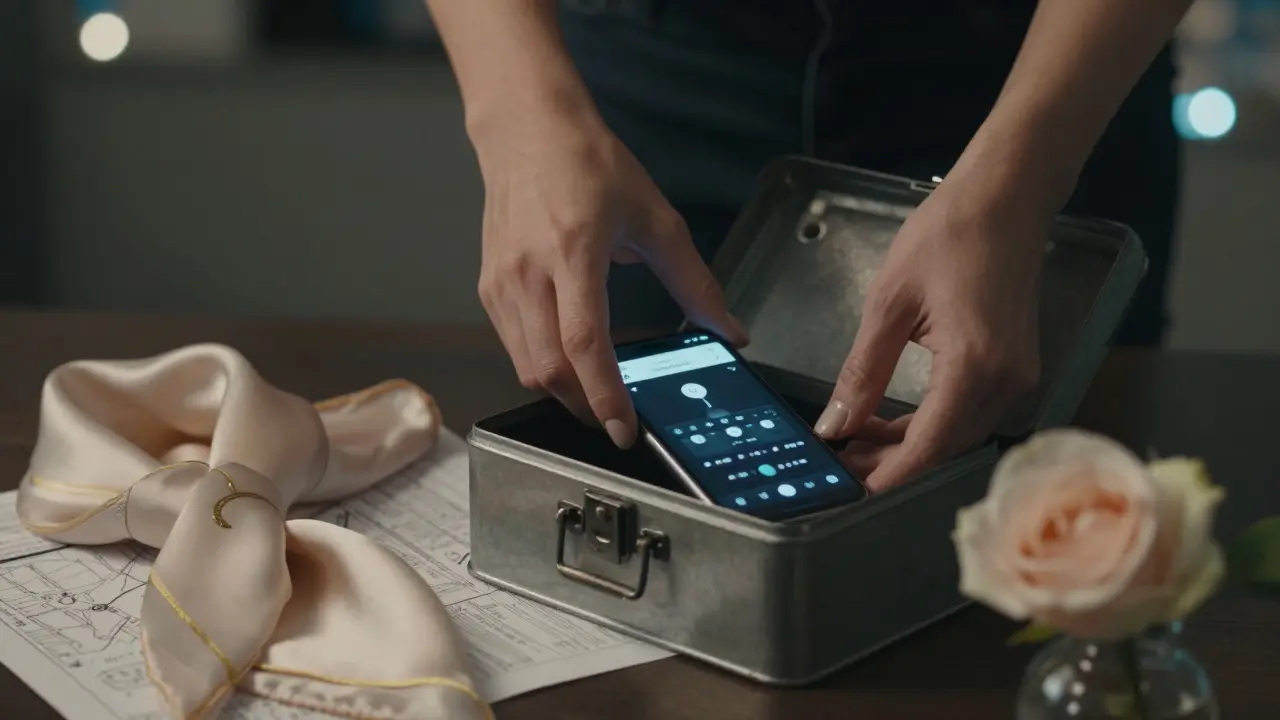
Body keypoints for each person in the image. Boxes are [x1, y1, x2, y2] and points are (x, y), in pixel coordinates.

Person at [424, 0, 1189, 492]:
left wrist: (1021, 183)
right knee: (621, 423)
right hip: (646, 69)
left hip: (1048, 64)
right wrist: (519, 122)